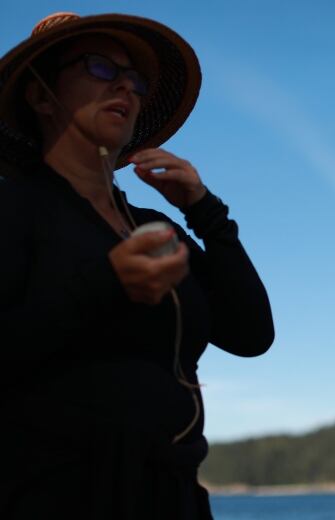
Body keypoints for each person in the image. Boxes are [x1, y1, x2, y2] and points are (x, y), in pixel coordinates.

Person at [0, 12, 274, 518]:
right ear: (42, 97)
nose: (125, 83)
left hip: (175, 499)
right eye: (100, 68)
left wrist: (205, 212)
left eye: (135, 79)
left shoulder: (150, 227)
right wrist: (105, 285)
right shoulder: (15, 210)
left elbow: (251, 334)